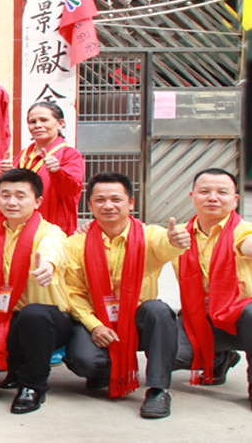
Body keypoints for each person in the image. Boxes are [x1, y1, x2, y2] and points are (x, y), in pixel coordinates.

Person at [60, 172, 190, 419]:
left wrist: (174, 241)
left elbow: (165, 244)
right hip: (99, 319)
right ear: (90, 205)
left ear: (131, 203)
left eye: (116, 199)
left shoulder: (148, 235)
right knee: (85, 360)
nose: (108, 206)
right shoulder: (76, 243)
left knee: (158, 310)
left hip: (137, 320)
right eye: (100, 200)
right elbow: (72, 292)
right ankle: (104, 372)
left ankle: (158, 390)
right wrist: (94, 325)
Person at [173, 168, 252, 416]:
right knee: (171, 354)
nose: (213, 197)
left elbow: (249, 243)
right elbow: (144, 239)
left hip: (247, 322)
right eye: (205, 191)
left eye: (222, 192)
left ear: (235, 199)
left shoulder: (244, 230)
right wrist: (90, 230)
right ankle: (219, 358)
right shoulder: (179, 235)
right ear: (192, 196)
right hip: (202, 320)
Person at [0, 168, 71, 414]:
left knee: (33, 315)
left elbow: (53, 248)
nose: (12, 202)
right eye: (5, 195)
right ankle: (17, 368)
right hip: (6, 316)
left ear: (37, 201)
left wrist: (48, 264)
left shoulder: (50, 232)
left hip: (49, 320)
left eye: (21, 196)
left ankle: (33, 385)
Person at [2, 101, 84, 235]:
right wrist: (4, 174)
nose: (37, 125)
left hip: (54, 229)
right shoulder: (24, 155)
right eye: (32, 122)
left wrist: (57, 172)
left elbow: (72, 190)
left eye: (44, 120)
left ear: (60, 124)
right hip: (21, 227)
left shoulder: (69, 154)